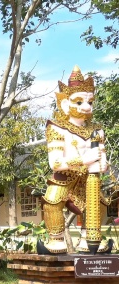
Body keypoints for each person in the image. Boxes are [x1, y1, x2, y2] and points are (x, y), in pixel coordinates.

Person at [38, 66, 109, 254]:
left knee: (99, 203)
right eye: (78, 102)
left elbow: (103, 160)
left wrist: (103, 163)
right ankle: (56, 240)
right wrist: (85, 159)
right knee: (52, 201)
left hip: (89, 178)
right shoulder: (56, 128)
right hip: (65, 175)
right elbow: (55, 163)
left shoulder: (97, 130)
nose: (86, 107)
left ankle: (89, 238)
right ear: (64, 103)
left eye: (89, 102)